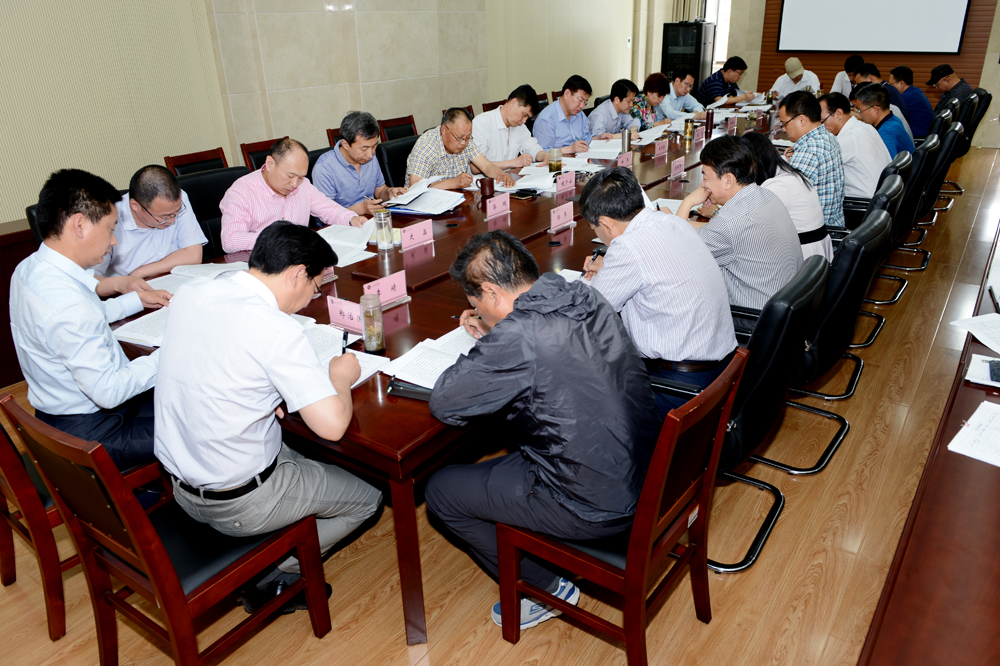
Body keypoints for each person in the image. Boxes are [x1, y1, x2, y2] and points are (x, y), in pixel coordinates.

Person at [424, 230, 661, 632]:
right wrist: (498, 336)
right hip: (648, 470)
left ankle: (544, 588)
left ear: (491, 292)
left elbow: (446, 402)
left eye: (477, 305)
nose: (479, 313)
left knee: (441, 491)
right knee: (507, 457)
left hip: (597, 505)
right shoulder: (584, 294)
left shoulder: (518, 335)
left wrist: (492, 343)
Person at [155, 221, 382, 612]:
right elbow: (332, 426)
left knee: (308, 455)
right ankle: (270, 571)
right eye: (315, 287)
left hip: (182, 484)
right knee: (370, 496)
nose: (311, 299)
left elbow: (217, 359)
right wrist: (339, 378)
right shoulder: (277, 329)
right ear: (297, 274)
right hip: (239, 501)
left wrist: (266, 392)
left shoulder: (193, 293)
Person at [10, 169, 171, 470]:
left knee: (183, 398)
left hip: (53, 416)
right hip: (95, 433)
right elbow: (109, 392)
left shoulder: (30, 269)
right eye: (110, 229)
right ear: (80, 224)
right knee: (206, 422)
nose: (114, 241)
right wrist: (175, 349)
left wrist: (135, 300)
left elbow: (82, 318)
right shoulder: (69, 305)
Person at [580, 167, 737, 416]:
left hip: (679, 388)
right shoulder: (672, 221)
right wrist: (609, 268)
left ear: (607, 224)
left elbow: (589, 312)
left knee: (582, 394)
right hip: (722, 373)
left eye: (594, 228)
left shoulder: (628, 247)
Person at [676, 136, 802, 314]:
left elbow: (677, 253)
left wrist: (687, 202)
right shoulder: (765, 195)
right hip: (786, 310)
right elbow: (718, 232)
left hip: (752, 318)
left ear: (728, 180)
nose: (702, 185)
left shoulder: (729, 223)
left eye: (705, 177)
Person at [220, 138, 366, 253]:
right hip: (262, 263)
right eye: (290, 176)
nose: (295, 184)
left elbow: (328, 208)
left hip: (299, 258)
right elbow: (230, 240)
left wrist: (351, 219)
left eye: (301, 177)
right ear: (270, 163)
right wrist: (278, 239)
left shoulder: (303, 185)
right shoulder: (241, 192)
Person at [95, 165, 206, 280]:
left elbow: (194, 255)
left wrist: (139, 273)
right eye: (164, 216)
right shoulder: (107, 219)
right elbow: (93, 278)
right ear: (135, 206)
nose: (172, 220)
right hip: (126, 288)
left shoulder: (177, 200)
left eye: (177, 212)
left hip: (175, 278)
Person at [742, 132, 834, 263]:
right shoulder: (790, 174)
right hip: (815, 255)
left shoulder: (777, 186)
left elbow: (746, 225)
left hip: (803, 257)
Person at [312, 111, 409, 217]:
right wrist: (361, 209)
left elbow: (379, 191)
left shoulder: (369, 157)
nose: (370, 154)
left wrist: (390, 192)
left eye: (374, 146)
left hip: (370, 219)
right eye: (364, 148)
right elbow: (325, 213)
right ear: (345, 144)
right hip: (342, 224)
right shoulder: (324, 168)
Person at [778, 91, 846, 227]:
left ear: (802, 120)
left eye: (785, 124)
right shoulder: (828, 136)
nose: (784, 129)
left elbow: (786, 200)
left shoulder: (809, 151)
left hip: (816, 232)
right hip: (833, 224)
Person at [406, 107, 516, 190]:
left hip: (454, 198)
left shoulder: (466, 139)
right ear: (444, 130)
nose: (463, 143)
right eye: (459, 138)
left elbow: (486, 166)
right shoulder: (426, 147)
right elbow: (416, 188)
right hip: (426, 206)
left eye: (467, 138)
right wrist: (453, 183)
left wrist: (502, 175)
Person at [818, 92, 891, 200]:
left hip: (863, 203)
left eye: (822, 121)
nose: (821, 126)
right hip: (882, 197)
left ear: (839, 113)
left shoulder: (849, 138)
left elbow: (816, 167)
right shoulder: (865, 127)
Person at [471, 84, 549, 170]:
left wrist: (546, 155)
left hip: (509, 177)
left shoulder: (520, 127)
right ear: (513, 103)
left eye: (527, 117)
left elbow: (533, 148)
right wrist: (514, 162)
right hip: (486, 178)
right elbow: (475, 167)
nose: (524, 121)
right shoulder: (482, 123)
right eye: (524, 114)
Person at [533, 75, 612, 152]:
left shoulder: (580, 114)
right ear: (567, 93)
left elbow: (586, 138)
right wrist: (570, 149)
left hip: (580, 159)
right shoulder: (546, 119)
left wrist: (598, 138)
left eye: (585, 102)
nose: (582, 106)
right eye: (580, 100)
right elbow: (541, 153)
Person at [852, 84, 915, 158]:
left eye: (860, 110)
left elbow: (887, 163)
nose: (860, 114)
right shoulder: (893, 120)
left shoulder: (886, 132)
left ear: (875, 109)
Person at [889, 66, 934, 138]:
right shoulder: (915, 92)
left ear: (901, 84)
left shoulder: (906, 98)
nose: (890, 87)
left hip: (917, 137)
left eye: (891, 84)